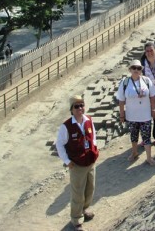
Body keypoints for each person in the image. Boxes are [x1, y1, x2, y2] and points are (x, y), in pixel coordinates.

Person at [55, 95, 99, 231]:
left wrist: (95, 149)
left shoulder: (88, 120)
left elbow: (94, 137)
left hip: (90, 161)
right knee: (77, 193)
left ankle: (84, 210)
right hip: (77, 164)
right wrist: (67, 161)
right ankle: (76, 219)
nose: (80, 108)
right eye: (76, 106)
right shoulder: (66, 126)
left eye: (82, 105)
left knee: (90, 189)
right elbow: (59, 145)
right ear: (71, 109)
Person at [116, 59, 155, 165]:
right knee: (134, 135)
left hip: (145, 115)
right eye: (134, 68)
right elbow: (121, 100)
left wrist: (153, 109)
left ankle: (148, 157)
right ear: (130, 69)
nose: (136, 70)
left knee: (146, 136)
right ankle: (134, 152)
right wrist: (122, 114)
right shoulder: (125, 82)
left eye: (138, 68)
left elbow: (152, 96)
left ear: (141, 70)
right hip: (131, 115)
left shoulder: (146, 81)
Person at [140, 42, 155, 146]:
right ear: (145, 53)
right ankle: (145, 138)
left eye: (151, 50)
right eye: (147, 51)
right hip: (146, 94)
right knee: (145, 117)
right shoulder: (142, 64)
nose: (149, 53)